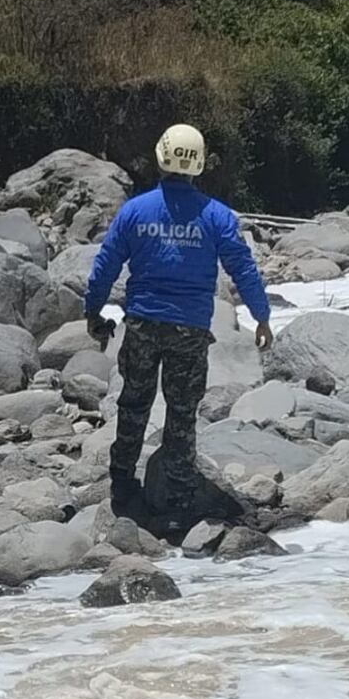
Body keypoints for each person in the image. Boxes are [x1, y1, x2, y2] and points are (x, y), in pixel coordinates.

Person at [83, 123, 273, 522]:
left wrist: (93, 311)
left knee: (134, 403)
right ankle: (181, 498)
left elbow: (106, 266)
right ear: (199, 164)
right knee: (182, 412)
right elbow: (243, 268)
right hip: (190, 331)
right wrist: (261, 317)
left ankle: (122, 484)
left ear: (160, 155)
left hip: (142, 323)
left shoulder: (135, 211)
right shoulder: (217, 216)